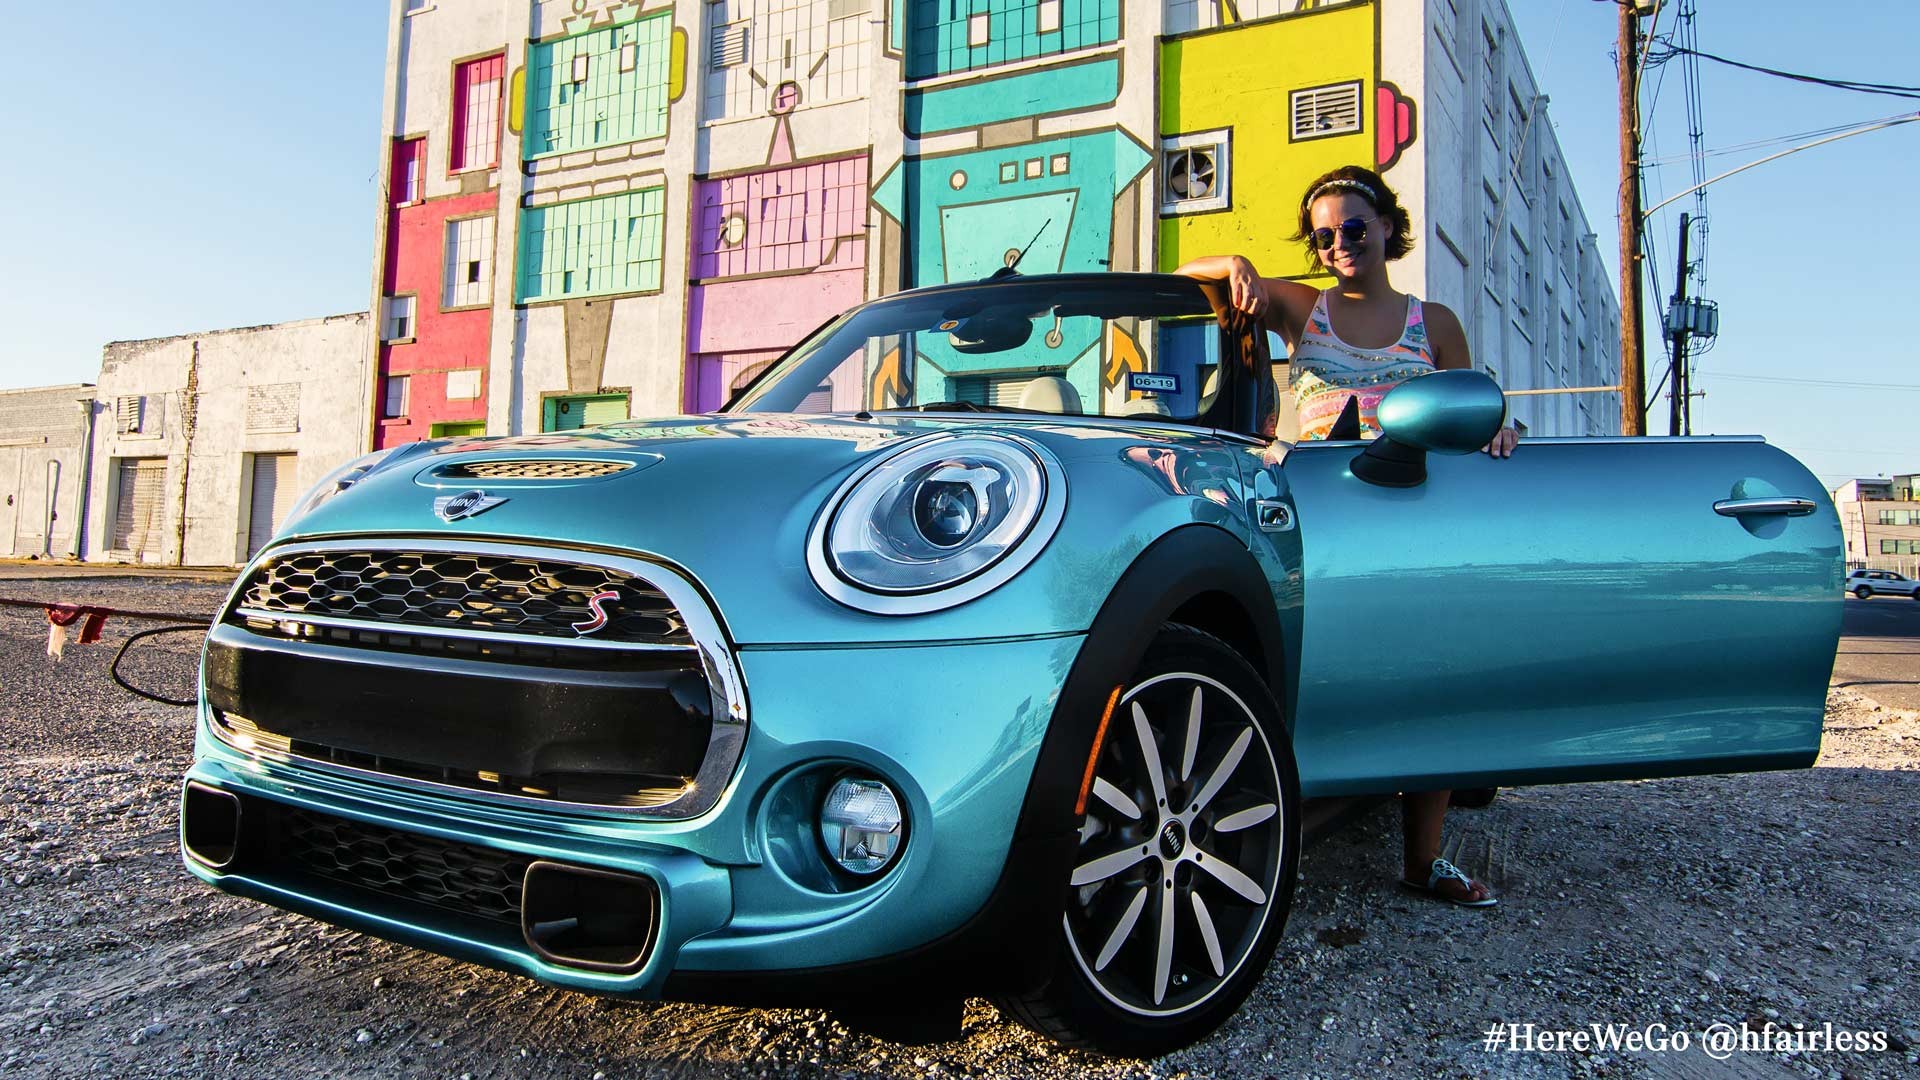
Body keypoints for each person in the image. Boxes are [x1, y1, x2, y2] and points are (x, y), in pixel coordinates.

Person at [1177, 164, 1515, 906]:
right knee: (1306, 675)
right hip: (1318, 524)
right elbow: (1179, 279)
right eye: (1324, 235)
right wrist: (1233, 263)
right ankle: (1265, 844)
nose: (1339, 244)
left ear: (1388, 226)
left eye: (1354, 227)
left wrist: (1499, 427)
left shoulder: (1436, 323)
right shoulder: (1304, 307)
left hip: (1415, 523)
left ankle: (1425, 861)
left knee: (1431, 678)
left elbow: (1471, 411)